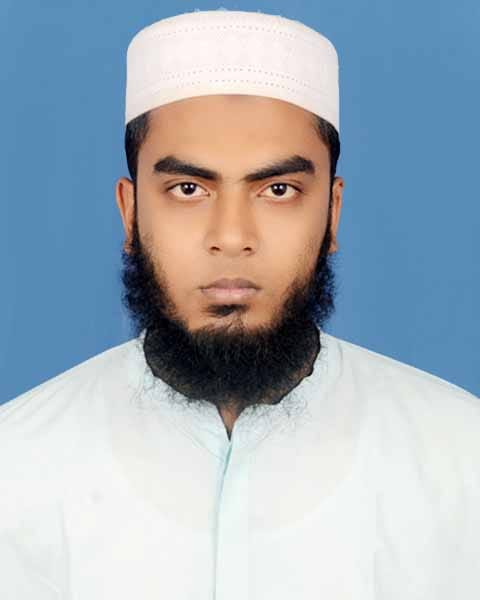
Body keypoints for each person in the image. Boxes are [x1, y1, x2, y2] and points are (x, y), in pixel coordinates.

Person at [1, 8, 479, 599]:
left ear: (332, 213)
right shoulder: (14, 467)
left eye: (278, 190)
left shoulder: (463, 460)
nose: (231, 236)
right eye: (188, 189)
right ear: (130, 211)